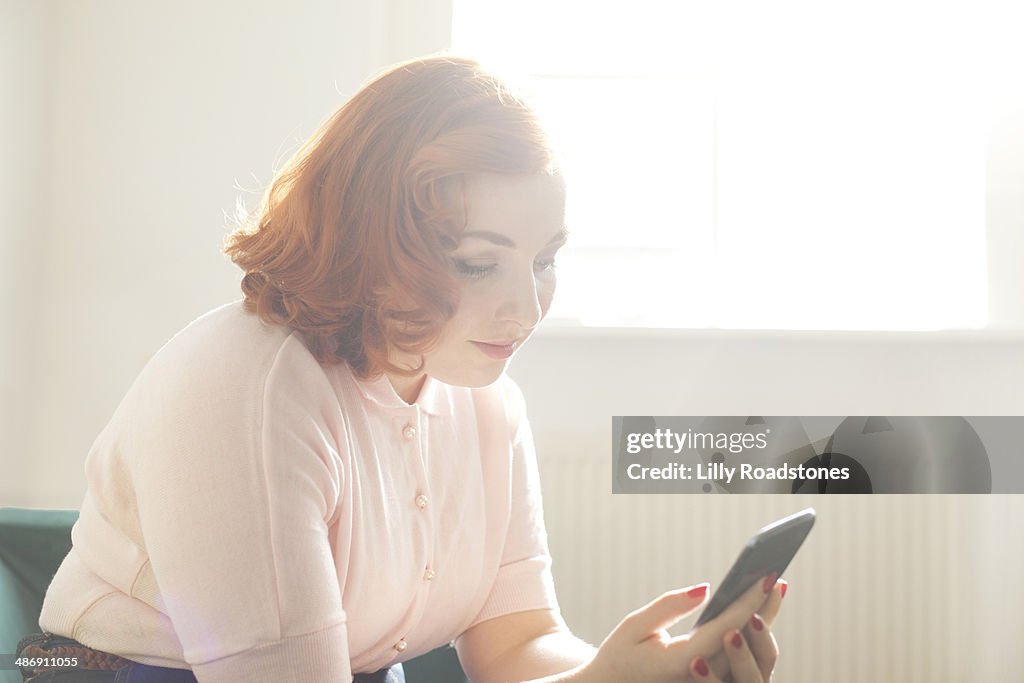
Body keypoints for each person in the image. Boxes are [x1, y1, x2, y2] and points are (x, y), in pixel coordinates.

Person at [22, 54, 785, 682]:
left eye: (545, 259)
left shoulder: (486, 401)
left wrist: (619, 676)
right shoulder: (250, 388)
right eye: (478, 262)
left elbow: (517, 642)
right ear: (368, 241)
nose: (526, 310)